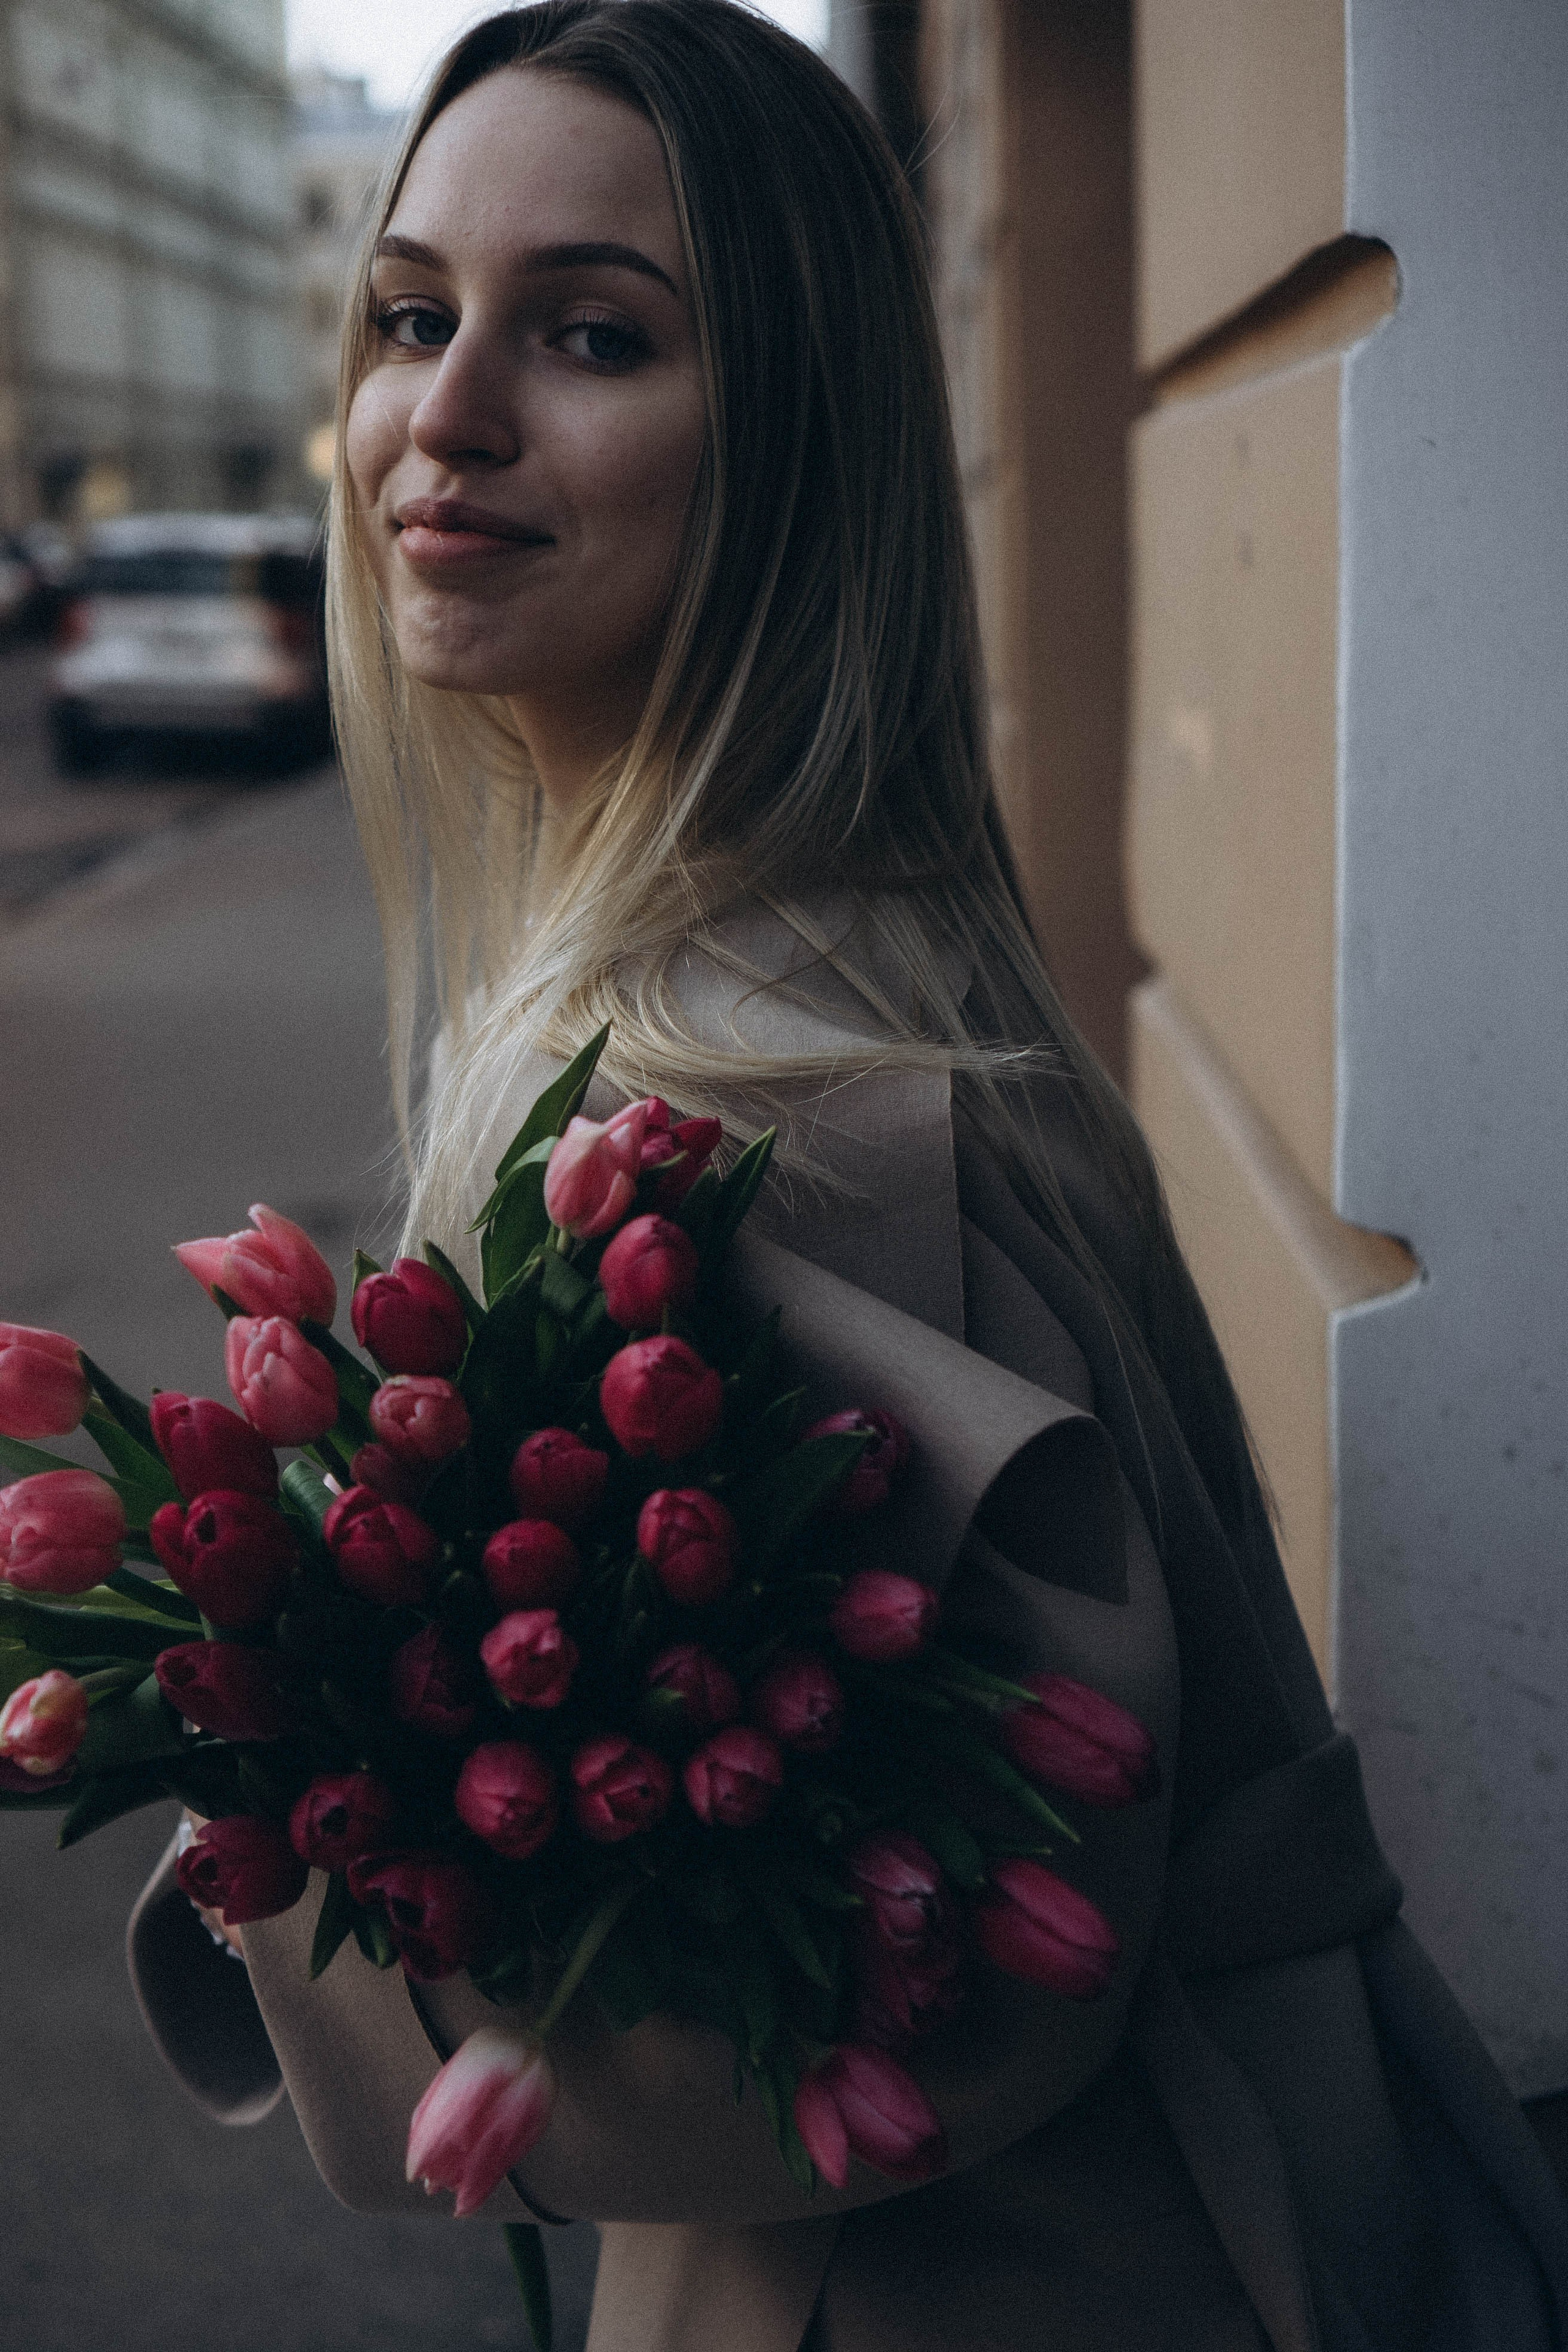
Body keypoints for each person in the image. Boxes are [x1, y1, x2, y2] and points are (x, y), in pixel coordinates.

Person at [129, 5, 1568, 2346]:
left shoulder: (758, 1104)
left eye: (590, 335)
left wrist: (278, 1777)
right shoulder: (775, 966)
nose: (444, 414)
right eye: (410, 316)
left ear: (795, 445)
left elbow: (847, 1988)